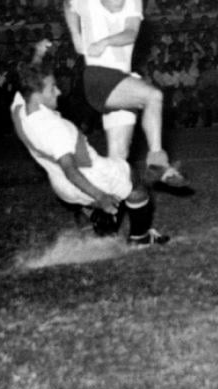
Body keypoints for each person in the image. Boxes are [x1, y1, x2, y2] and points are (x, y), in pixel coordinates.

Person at [10, 41, 169, 245]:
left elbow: (27, 78)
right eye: (52, 88)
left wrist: (38, 55)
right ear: (37, 94)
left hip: (61, 187)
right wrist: (100, 196)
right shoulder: (52, 128)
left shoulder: (20, 107)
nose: (58, 92)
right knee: (136, 185)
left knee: (111, 196)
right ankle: (140, 238)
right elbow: (70, 169)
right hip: (89, 176)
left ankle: (97, 216)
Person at [64, 0, 191, 194]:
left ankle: (100, 208)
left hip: (121, 81)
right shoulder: (87, 0)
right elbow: (68, 4)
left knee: (118, 159)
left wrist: (104, 41)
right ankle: (158, 162)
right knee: (153, 96)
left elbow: (131, 33)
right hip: (98, 78)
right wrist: (75, 36)